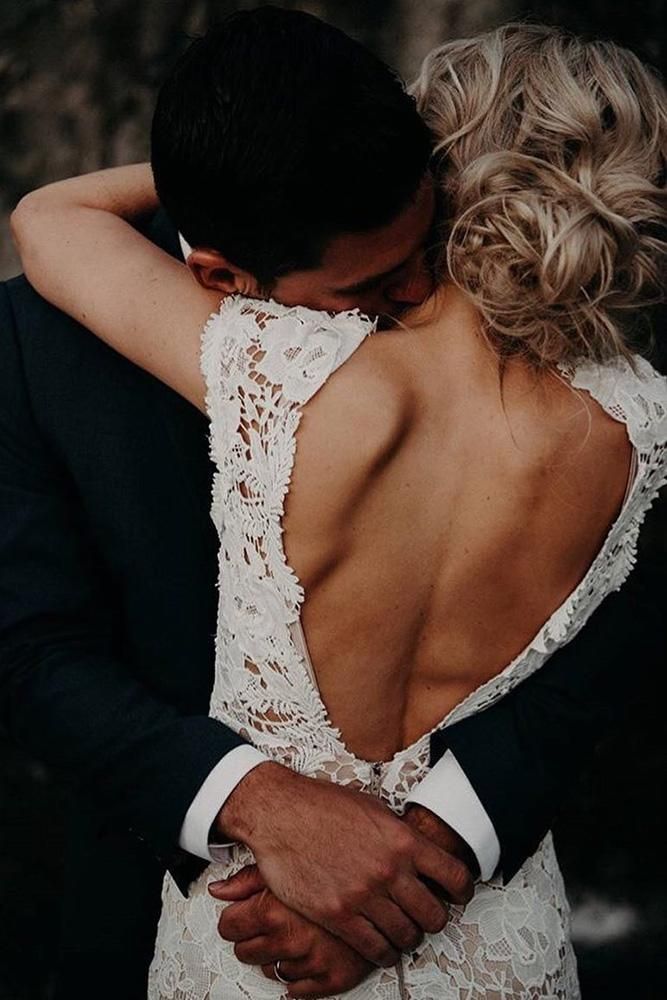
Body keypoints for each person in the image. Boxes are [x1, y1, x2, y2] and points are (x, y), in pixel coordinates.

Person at [4, 10, 666, 1000]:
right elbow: (28, 642)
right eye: (370, 282)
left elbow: (45, 216)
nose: (397, 299)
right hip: (348, 928)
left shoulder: (294, 375)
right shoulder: (641, 416)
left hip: (363, 915)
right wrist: (252, 802)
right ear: (221, 271)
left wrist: (435, 848)